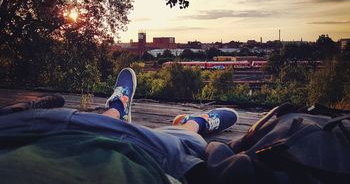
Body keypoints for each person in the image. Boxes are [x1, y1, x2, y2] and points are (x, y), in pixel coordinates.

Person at [0, 68, 239, 184]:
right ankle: (194, 123)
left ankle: (118, 108)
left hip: (26, 133)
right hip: (147, 166)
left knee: (100, 124)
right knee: (178, 143)